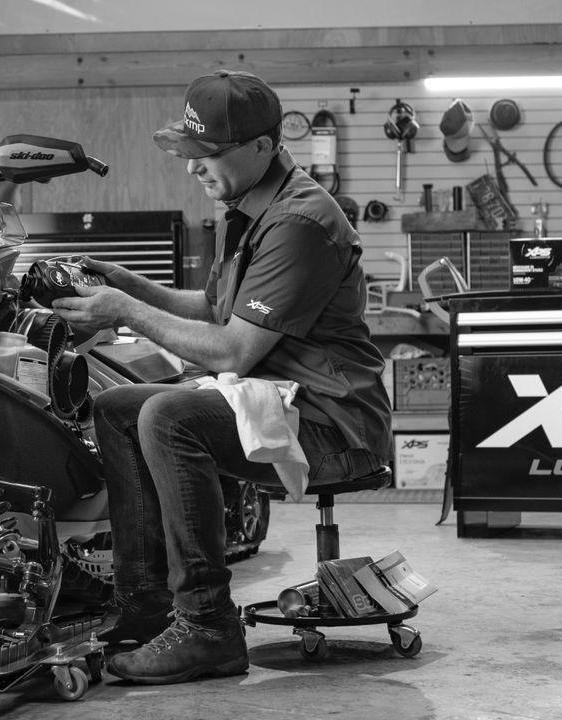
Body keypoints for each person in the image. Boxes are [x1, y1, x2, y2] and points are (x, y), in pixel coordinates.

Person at [51, 70, 392, 685]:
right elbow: (216, 311)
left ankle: (207, 626)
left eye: (208, 155)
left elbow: (232, 349)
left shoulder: (300, 223)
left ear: (263, 146)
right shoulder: (249, 207)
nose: (193, 169)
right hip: (277, 402)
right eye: (190, 153)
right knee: (119, 406)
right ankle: (146, 606)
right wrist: (128, 285)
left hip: (329, 422)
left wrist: (125, 312)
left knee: (167, 414)